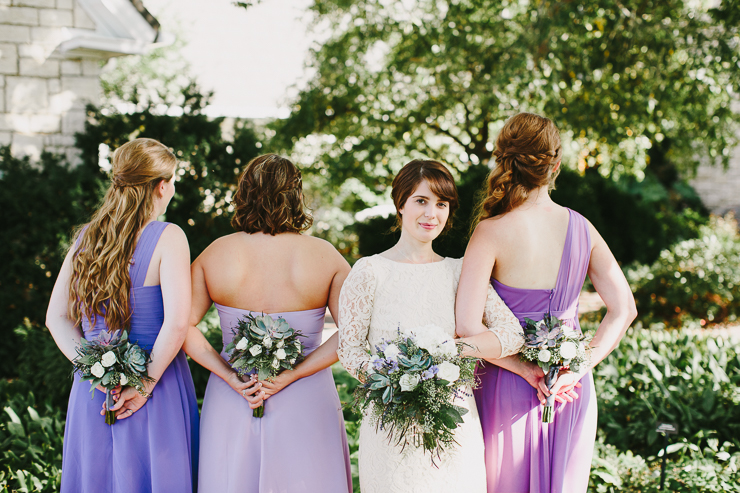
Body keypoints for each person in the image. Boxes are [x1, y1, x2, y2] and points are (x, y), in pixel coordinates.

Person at [456, 112, 638, 493]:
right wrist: (579, 366)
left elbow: (467, 329)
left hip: (505, 383)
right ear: (555, 164)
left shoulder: (489, 232)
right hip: (569, 387)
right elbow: (624, 309)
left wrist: (524, 370)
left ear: (503, 161)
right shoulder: (582, 228)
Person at [337, 159, 525, 493]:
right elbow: (349, 350)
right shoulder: (369, 272)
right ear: (400, 204)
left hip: (453, 426)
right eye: (421, 201)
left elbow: (511, 334)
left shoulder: (461, 271)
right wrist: (395, 382)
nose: (431, 214)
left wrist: (450, 354)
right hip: (390, 427)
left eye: (441, 204)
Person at [183, 153, 353, 493]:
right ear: (296, 195)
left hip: (237, 394)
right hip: (306, 394)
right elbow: (352, 334)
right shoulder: (326, 255)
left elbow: (181, 328)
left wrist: (230, 375)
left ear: (244, 193)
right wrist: (292, 374)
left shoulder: (215, 253)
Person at [46, 138, 199, 492]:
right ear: (162, 186)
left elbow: (56, 318)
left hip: (95, 392)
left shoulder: (85, 239)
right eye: (173, 181)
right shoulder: (169, 236)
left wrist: (94, 371)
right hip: (156, 386)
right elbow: (177, 323)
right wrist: (143, 386)